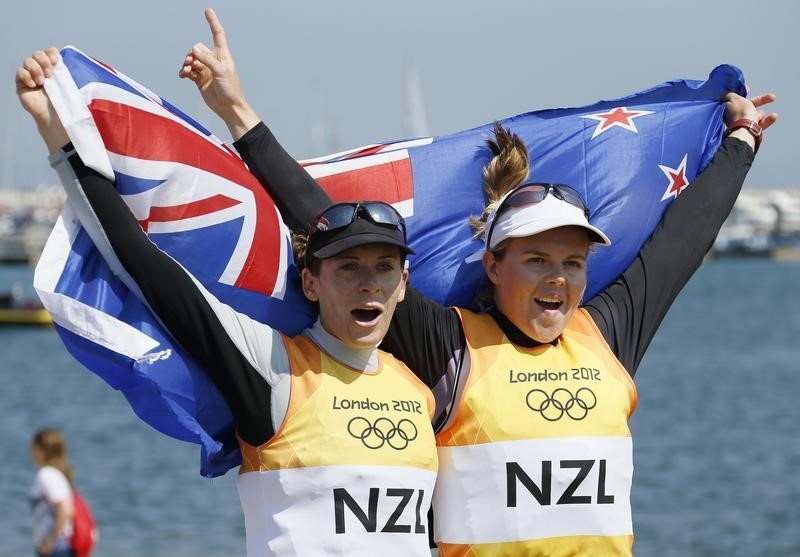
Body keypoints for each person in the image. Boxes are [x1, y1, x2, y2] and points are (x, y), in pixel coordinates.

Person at [180, 11, 776, 554]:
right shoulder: (450, 345)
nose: (559, 278)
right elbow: (322, 218)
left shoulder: (609, 334)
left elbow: (683, 240)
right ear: (493, 266)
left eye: (572, 262)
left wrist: (741, 143)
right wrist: (238, 114)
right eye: (537, 260)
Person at [17, 48, 438, 557]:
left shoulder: (421, 389)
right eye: (348, 268)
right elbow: (149, 269)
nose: (368, 284)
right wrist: (58, 137)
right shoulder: (275, 370)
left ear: (403, 283)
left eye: (384, 268)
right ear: (310, 284)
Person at [29, 429, 75, 557]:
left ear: (44, 451)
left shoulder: (46, 474)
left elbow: (65, 510)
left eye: (34, 447)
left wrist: (50, 541)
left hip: (56, 546)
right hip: (62, 543)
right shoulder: (57, 474)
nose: (31, 452)